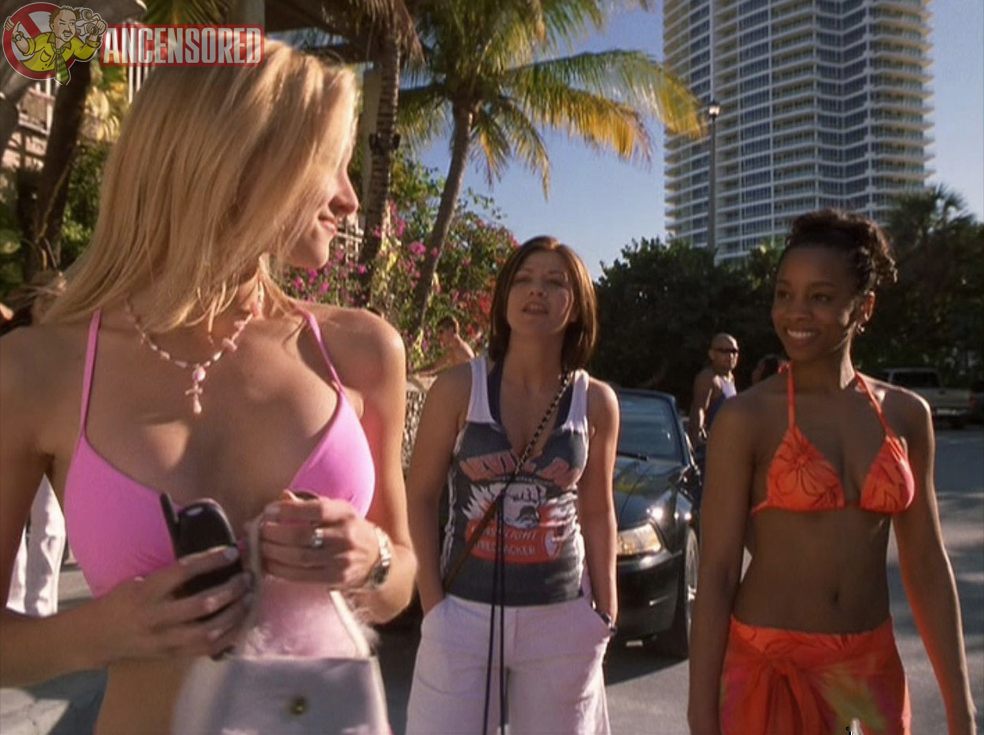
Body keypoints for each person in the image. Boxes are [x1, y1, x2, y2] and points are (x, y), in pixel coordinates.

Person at [0, 41, 416, 734]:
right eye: (329, 163)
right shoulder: (39, 370)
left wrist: (369, 558)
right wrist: (103, 631)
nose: (349, 198)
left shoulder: (362, 352)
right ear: (237, 157)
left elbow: (400, 580)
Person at [688, 209, 976, 735]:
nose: (795, 312)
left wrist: (962, 708)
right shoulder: (747, 418)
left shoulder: (906, 415)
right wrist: (701, 713)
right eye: (784, 294)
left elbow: (928, 565)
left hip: (871, 669)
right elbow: (718, 572)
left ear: (863, 308)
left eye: (820, 296)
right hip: (770, 666)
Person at [406, 236, 619, 734]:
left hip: (562, 617)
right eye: (523, 279)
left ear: (577, 306)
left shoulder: (596, 402)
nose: (536, 291)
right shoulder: (459, 388)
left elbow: (597, 510)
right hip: (462, 613)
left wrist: (605, 611)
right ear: (504, 298)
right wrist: (433, 604)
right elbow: (420, 496)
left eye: (554, 282)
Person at [2, 271, 68, 618]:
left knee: (50, 519)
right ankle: (15, 604)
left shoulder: (68, 343)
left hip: (51, 434)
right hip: (16, 433)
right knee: (15, 522)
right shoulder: (16, 337)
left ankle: (41, 606)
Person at [688, 332, 739, 451]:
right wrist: (695, 443)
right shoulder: (708, 378)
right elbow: (699, 410)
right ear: (712, 354)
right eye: (724, 351)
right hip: (711, 448)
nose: (730, 355)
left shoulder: (730, 378)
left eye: (734, 351)